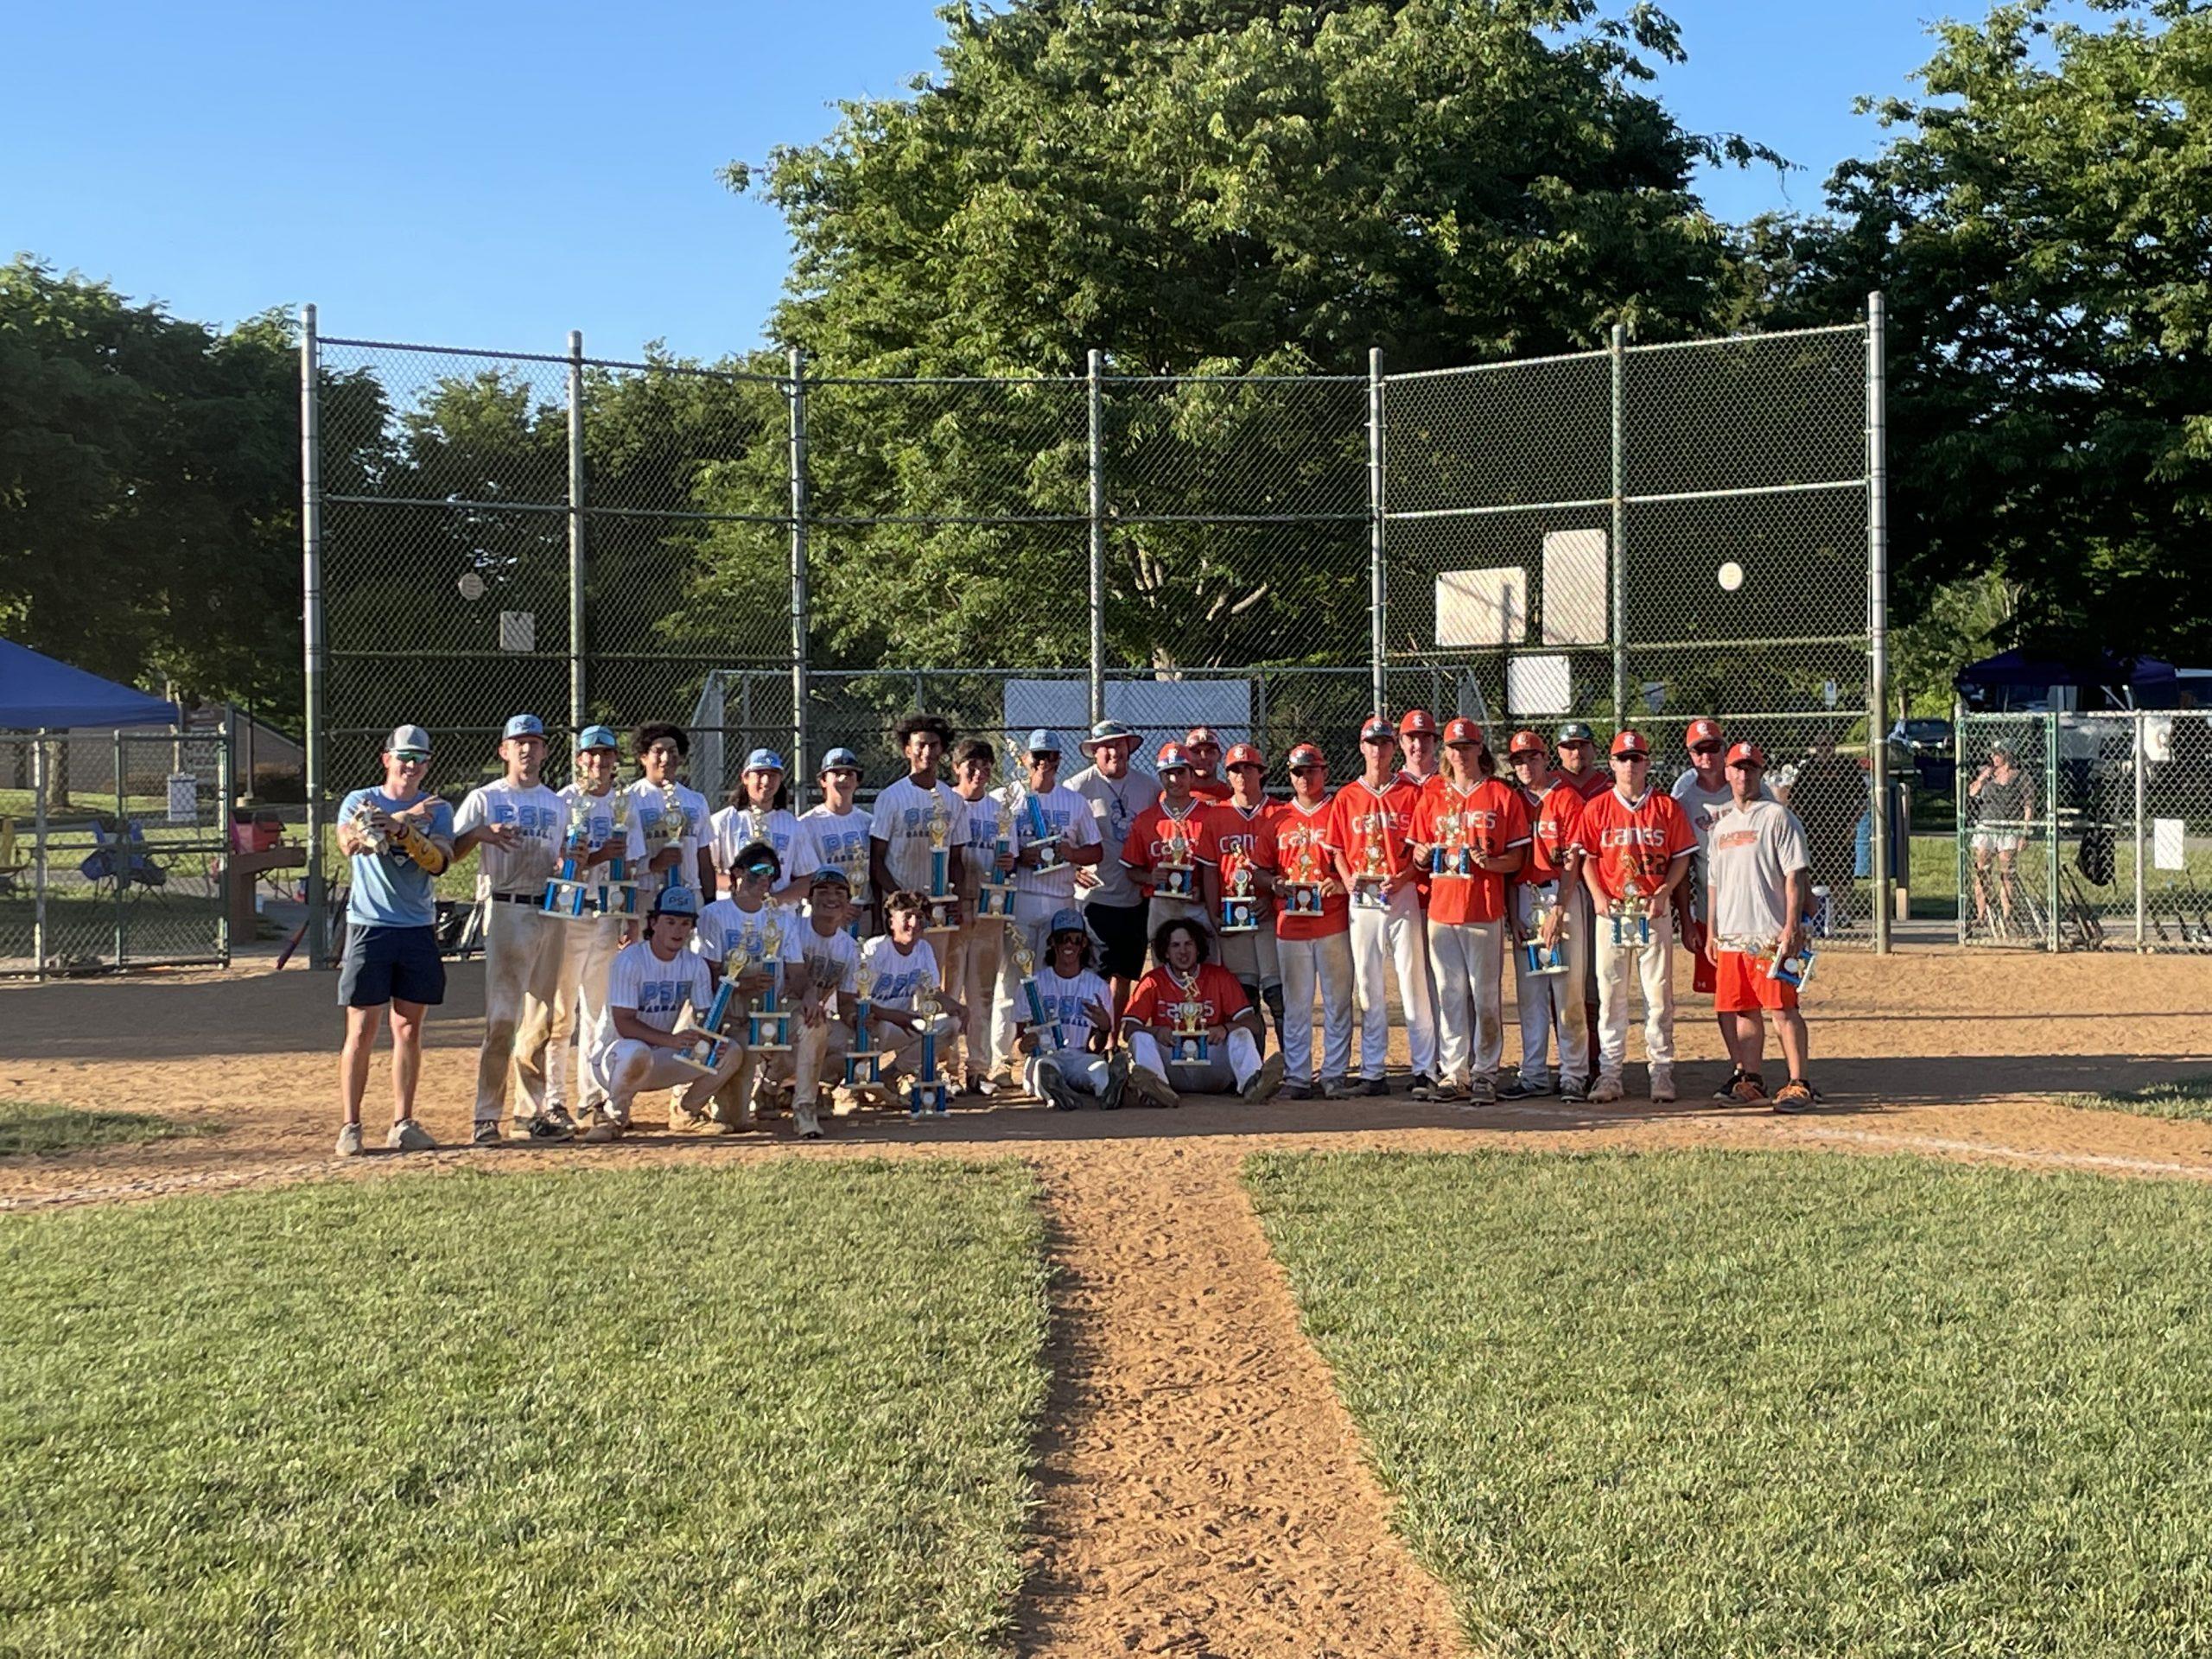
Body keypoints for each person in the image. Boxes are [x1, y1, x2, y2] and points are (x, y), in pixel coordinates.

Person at [334, 723, 455, 1156]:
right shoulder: (360, 800)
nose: (410, 765)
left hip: (416, 927)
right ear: (387, 759)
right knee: (362, 1028)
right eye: (403, 757)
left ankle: (403, 1122)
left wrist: (405, 831)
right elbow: (351, 843)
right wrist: (397, 819)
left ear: (428, 764)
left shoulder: (438, 809)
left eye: (419, 758)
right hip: (370, 925)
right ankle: (351, 1125)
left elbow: (439, 862)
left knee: (407, 1028)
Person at [452, 713, 571, 1145]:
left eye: (535, 742)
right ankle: (486, 1116)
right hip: (505, 909)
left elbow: (564, 861)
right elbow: (448, 851)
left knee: (540, 1020)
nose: (527, 749)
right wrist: (481, 833)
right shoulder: (484, 798)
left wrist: (573, 858)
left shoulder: (558, 804)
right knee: (502, 1018)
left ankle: (531, 1112)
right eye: (518, 742)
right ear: (504, 750)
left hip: (549, 911)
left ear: (544, 750)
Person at [1408, 719, 1528, 1103]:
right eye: (1453, 747)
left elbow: (1517, 857)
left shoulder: (1500, 794)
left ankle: (1486, 1073)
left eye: (1467, 746)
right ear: (1445, 752)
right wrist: (1422, 854)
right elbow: (1417, 852)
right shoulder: (1432, 794)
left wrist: (1490, 863)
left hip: (1483, 908)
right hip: (1442, 911)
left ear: (1480, 749)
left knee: (1485, 996)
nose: (1459, 754)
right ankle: (1454, 1071)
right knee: (1449, 994)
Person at [1577, 728, 1696, 1103]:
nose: (1630, 765)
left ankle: (1661, 1071)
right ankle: (1610, 1074)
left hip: (1651, 910)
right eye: (1623, 759)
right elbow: (1588, 858)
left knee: (1658, 995)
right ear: (1611, 764)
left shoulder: (1664, 807)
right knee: (1611, 995)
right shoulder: (1597, 807)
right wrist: (1597, 893)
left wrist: (1664, 889)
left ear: (1647, 762)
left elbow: (1682, 855)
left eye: (1637, 758)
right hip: (1612, 912)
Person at [1703, 742, 1820, 1111]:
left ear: (1759, 772)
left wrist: (1791, 926)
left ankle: (1799, 1082)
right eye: (1737, 768)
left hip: (1770, 935)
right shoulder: (1720, 827)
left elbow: (1794, 876)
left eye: (1750, 768)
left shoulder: (1777, 817)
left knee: (1783, 1009)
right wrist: (1711, 932)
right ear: (1727, 773)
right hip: (1734, 936)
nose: (1743, 774)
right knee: (1743, 1010)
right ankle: (1750, 1079)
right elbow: (1713, 884)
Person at [579, 885, 747, 1141]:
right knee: (635, 1049)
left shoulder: (694, 964)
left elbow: (704, 1016)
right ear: (654, 923)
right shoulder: (630, 960)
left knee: (730, 1050)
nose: (677, 930)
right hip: (613, 1060)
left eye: (684, 923)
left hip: (659, 1057)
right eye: (670, 921)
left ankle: (686, 1112)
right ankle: (613, 1116)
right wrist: (673, 1040)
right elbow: (624, 1025)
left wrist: (710, 1038)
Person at [1324, 715, 1435, 1097]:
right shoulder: (1347, 796)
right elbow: (1337, 848)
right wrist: (1347, 877)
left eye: (1385, 743)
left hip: (1400, 891)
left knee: (1412, 983)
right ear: (1362, 747)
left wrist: (1405, 877)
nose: (1378, 749)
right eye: (1372, 743)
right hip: (1363, 898)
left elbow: (1421, 849)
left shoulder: (1410, 792)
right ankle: (1374, 1072)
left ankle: (1424, 1068)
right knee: (1369, 986)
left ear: (1394, 749)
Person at [544, 724, 648, 1130]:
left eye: (606, 755)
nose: (599, 762)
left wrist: (632, 919)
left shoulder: (624, 805)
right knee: (560, 1012)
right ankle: (554, 1099)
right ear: (579, 760)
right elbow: (555, 865)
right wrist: (596, 855)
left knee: (599, 1012)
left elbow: (634, 865)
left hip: (608, 916)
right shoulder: (564, 802)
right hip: (569, 915)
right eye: (592, 754)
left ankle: (592, 1098)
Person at [992, 729, 1104, 1088]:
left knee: (1050, 982)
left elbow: (1096, 851)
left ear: (1059, 760)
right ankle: (1000, 1059)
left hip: (1060, 901)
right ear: (1026, 760)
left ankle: (1048, 1053)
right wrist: (1018, 859)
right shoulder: (1009, 800)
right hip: (1021, 898)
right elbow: (1001, 857)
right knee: (1011, 982)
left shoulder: (1074, 803)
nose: (1044, 763)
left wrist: (1070, 855)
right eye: (1037, 756)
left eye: (1051, 756)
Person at [1670, 717, 1777, 1076]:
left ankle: (1785, 1070)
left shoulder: (1754, 792)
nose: (1707, 756)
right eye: (1699, 750)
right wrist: (1687, 922)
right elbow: (1683, 867)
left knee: (1772, 996)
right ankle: (1740, 1067)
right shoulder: (1684, 801)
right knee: (1725, 997)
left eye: (1714, 747)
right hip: (1714, 914)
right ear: (1690, 754)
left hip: (1760, 912)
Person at [692, 839, 806, 1130]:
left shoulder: (782, 920)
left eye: (772, 874)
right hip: (726, 1011)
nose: (765, 880)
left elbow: (796, 971)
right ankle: (687, 1103)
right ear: (737, 873)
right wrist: (742, 983)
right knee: (736, 1120)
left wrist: (810, 997)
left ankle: (787, 1097)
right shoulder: (714, 915)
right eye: (757, 871)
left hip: (768, 1011)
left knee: (814, 1031)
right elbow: (707, 972)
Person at [1502, 729, 1591, 1101]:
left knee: (1567, 990)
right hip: (1525, 897)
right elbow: (1509, 866)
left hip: (1561, 896)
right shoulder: (1511, 801)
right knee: (1531, 993)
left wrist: (1559, 909)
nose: (1525, 765)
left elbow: (1574, 861)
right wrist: (1512, 915)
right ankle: (1534, 1073)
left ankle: (1573, 1073)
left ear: (1545, 759)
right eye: (1518, 760)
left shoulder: (1566, 798)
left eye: (1531, 758)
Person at [1119, 918, 1287, 1105]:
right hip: (1173, 1065)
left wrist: (1225, 1028)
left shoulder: (1219, 976)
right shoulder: (1153, 981)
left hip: (1211, 1062)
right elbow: (1128, 1029)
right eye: (1175, 945)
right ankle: (1157, 1091)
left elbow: (1253, 1024)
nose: (1183, 951)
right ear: (1165, 952)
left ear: (1198, 948)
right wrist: (1157, 1032)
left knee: (1241, 1033)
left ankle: (1253, 1085)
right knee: (1140, 1037)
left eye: (1188, 944)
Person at [1271, 741, 1355, 1099]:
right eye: (1297, 771)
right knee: (1296, 1004)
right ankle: (1297, 1075)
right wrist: (1271, 883)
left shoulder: (1337, 811)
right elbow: (1260, 870)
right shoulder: (1277, 818)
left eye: (1311, 769)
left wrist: (1339, 883)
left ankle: (1334, 1073)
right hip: (1290, 924)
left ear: (1325, 772)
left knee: (1337, 1000)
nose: (1304, 777)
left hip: (1332, 921)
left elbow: (1356, 861)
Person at [1065, 719, 1159, 1029]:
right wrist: (1074, 867)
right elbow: (1059, 841)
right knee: (1095, 974)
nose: (1113, 752)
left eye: (1119, 744)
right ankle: (1089, 1038)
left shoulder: (1149, 787)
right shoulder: (1077, 788)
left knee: (1125, 973)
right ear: (1094, 752)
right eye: (1105, 746)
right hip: (1095, 897)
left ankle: (1112, 1037)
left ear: (1129, 747)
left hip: (1134, 897)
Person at [1197, 741, 1284, 1050]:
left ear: (1261, 773)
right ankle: (1254, 1067)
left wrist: (1272, 900)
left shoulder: (1279, 813)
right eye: (1235, 769)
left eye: (1249, 768)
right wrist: (1213, 913)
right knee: (1243, 996)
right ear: (1228, 775)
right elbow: (1209, 869)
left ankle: (1292, 1067)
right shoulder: (1216, 816)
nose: (1242, 774)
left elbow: (1291, 868)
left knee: (1277, 994)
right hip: (1232, 916)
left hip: (1269, 914)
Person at [947, 736, 1017, 1093]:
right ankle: (945, 1068)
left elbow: (1012, 857)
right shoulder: (945, 804)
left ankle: (977, 1069)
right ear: (956, 768)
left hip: (989, 911)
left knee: (982, 993)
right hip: (952, 910)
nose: (978, 773)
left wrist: (1009, 862)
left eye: (985, 767)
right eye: (970, 766)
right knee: (948, 989)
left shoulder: (999, 811)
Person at [857, 890, 969, 1104]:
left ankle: (891, 1074)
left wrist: (958, 1007)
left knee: (950, 1025)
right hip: (872, 1024)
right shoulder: (875, 949)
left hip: (902, 1023)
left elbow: (932, 993)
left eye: (919, 917)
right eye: (907, 916)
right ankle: (857, 1084)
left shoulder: (924, 949)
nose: (914, 923)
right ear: (891, 922)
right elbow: (857, 998)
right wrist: (891, 1015)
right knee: (877, 1027)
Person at [1014, 907, 1125, 1110]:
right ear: (1051, 942)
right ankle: (1056, 1091)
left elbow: (1094, 1048)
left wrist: (1104, 1028)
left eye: (1076, 939)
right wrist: (1024, 1044)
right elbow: (1017, 1044)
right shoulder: (1033, 984)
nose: (1069, 945)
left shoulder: (1098, 987)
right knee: (1042, 1068)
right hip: (1045, 1055)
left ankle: (1108, 1089)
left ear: (1084, 944)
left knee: (1098, 1068)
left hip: (1079, 1056)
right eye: (1062, 938)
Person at [868, 712, 968, 937]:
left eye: (933, 745)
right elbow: (876, 859)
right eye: (920, 745)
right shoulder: (890, 797)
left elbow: (956, 859)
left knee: (935, 969)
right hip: (899, 907)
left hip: (938, 906)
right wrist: (901, 899)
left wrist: (956, 898)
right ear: (907, 750)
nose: (927, 752)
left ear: (942, 750)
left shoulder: (954, 800)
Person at [784, 868, 866, 1137]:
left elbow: (845, 1004)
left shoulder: (850, 948)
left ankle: (816, 1089)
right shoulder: (793, 928)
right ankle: (804, 1108)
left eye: (839, 892)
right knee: (813, 1026)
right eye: (823, 891)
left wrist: (859, 1019)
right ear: (809, 897)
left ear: (848, 900)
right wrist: (810, 998)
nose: (831, 897)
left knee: (860, 1041)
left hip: (813, 1013)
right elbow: (796, 977)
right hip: (781, 1010)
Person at [1122, 741, 1212, 944]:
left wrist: (1205, 891)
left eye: (1180, 772)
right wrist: (1150, 877)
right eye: (1167, 773)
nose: (1174, 779)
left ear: (1191, 774)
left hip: (1198, 900)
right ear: (1160, 777)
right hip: (1161, 901)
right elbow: (1131, 869)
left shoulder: (1210, 816)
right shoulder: (1146, 820)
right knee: (1163, 964)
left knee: (1206, 962)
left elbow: (1221, 868)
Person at [709, 749, 810, 904]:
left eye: (772, 775)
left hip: (779, 917)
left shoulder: (793, 825)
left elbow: (807, 878)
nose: (766, 781)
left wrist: (774, 900)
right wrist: (744, 890)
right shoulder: (722, 821)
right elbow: (706, 873)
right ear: (745, 778)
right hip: (732, 912)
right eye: (759, 774)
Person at [626, 722, 714, 902]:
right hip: (646, 894)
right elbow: (621, 859)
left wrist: (710, 900)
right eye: (658, 751)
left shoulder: (696, 800)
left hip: (689, 895)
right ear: (643, 757)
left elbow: (704, 859)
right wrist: (652, 864)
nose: (666, 758)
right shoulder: (628, 800)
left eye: (673, 751)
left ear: (681, 757)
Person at [798, 748, 874, 936]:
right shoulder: (806, 824)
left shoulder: (869, 822)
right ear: (823, 780)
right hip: (821, 913)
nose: (843, 779)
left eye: (849, 773)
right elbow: (802, 875)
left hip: (862, 912)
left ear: (858, 780)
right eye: (836, 773)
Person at [1967, 741, 2036, 934]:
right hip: (1987, 825)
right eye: (1993, 754)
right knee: (1982, 866)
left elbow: (2028, 806)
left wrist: (2024, 832)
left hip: (2009, 827)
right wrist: (1983, 778)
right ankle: (1982, 914)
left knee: (2007, 871)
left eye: (1999, 754)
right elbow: (1972, 792)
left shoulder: (2021, 777)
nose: (1994, 757)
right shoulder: (1987, 773)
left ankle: (2007, 914)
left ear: (2008, 755)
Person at [1395, 708, 1440, 791]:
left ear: (1435, 742)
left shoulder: (1450, 781)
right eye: (1411, 738)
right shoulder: (1394, 785)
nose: (1418, 745)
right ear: (1401, 743)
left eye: (1425, 738)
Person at [1183, 726, 1233, 801]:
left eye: (1210, 752)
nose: (1203, 757)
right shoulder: (1176, 796)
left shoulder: (1232, 796)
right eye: (1196, 752)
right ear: (1186, 757)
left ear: (1219, 756)